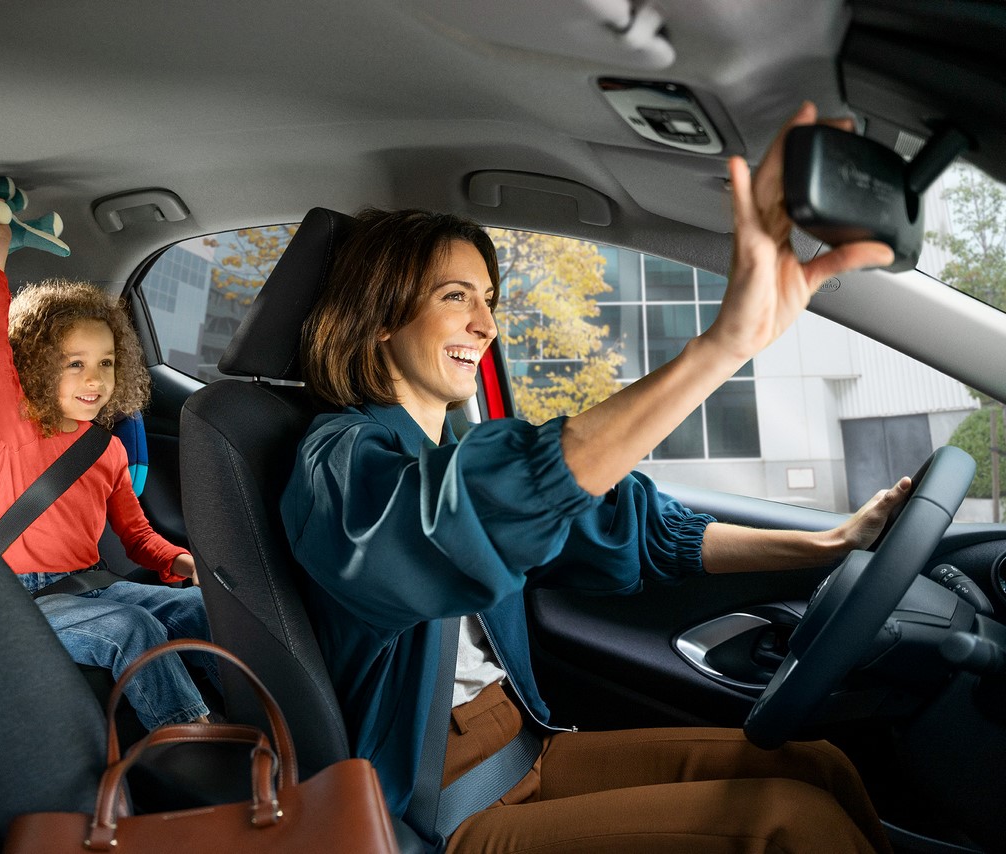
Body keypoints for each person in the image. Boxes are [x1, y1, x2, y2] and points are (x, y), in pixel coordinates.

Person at [280, 102, 906, 852]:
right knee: (788, 824)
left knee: (815, 767)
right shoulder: (335, 463)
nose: (487, 325)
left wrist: (831, 544)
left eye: (489, 300)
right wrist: (722, 347)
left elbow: (632, 529)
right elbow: (463, 514)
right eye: (455, 297)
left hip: (526, 743)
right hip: (428, 810)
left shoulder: (452, 447)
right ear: (380, 317)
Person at [0, 197, 214, 729]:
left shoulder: (109, 448)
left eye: (105, 362)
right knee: (133, 629)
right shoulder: (19, 426)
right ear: (36, 367)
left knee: (204, 611)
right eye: (74, 364)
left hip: (93, 584)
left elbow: (137, 536)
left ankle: (256, 715)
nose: (94, 379)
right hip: (18, 598)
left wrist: (184, 563)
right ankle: (190, 739)